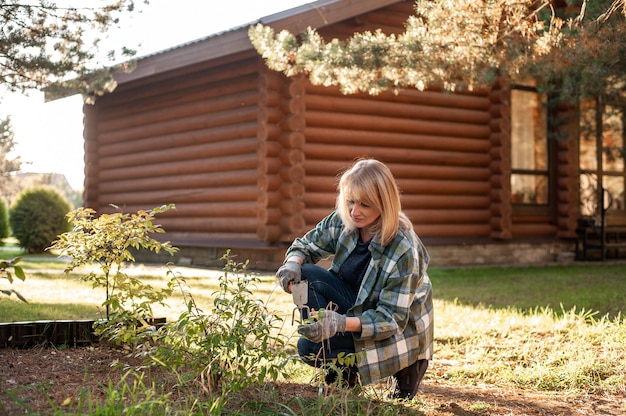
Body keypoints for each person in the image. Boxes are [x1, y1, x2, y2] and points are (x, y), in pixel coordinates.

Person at [276, 158, 434, 399]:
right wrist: (291, 264)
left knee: (400, 398)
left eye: (365, 204)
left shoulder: (404, 248)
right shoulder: (345, 219)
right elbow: (306, 245)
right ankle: (341, 368)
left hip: (398, 327)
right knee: (310, 342)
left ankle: (408, 366)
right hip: (355, 305)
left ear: (384, 203)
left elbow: (390, 319)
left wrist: (340, 324)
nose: (354, 211)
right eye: (350, 201)